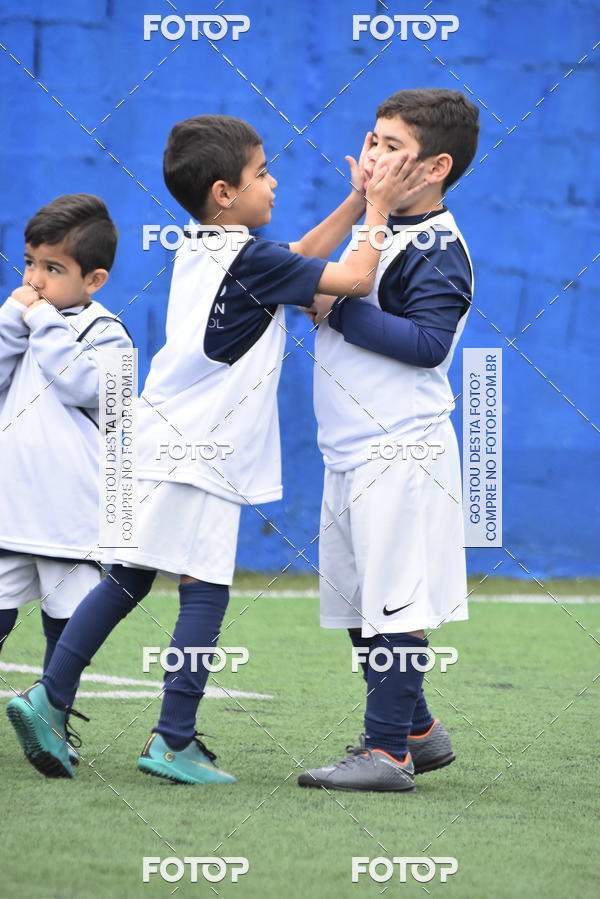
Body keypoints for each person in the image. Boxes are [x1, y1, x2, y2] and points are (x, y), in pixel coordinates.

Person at [7, 114, 426, 785]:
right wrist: (377, 209)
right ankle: (171, 739)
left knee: (129, 577)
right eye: (263, 173)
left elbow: (297, 260)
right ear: (226, 193)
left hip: (160, 441)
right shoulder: (250, 258)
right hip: (200, 455)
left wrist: (352, 202)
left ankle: (49, 696)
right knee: (203, 593)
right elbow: (345, 278)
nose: (275, 181)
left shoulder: (214, 245)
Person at [298, 88, 480, 793]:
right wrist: (358, 212)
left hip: (400, 453)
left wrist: (335, 305)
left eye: (392, 148)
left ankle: (388, 755)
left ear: (435, 167)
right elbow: (297, 273)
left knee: (394, 605)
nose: (374, 156)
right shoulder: (376, 228)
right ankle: (420, 731)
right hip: (349, 451)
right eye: (372, 141)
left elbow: (429, 343)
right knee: (359, 606)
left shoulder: (437, 244)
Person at [0, 194, 132, 684]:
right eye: (30, 263)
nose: (34, 280)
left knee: (66, 622)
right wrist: (13, 321)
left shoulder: (109, 332)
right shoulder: (22, 324)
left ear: (94, 281)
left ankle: (52, 712)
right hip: (10, 510)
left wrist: (39, 320)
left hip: (69, 518)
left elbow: (85, 384)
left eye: (52, 268)